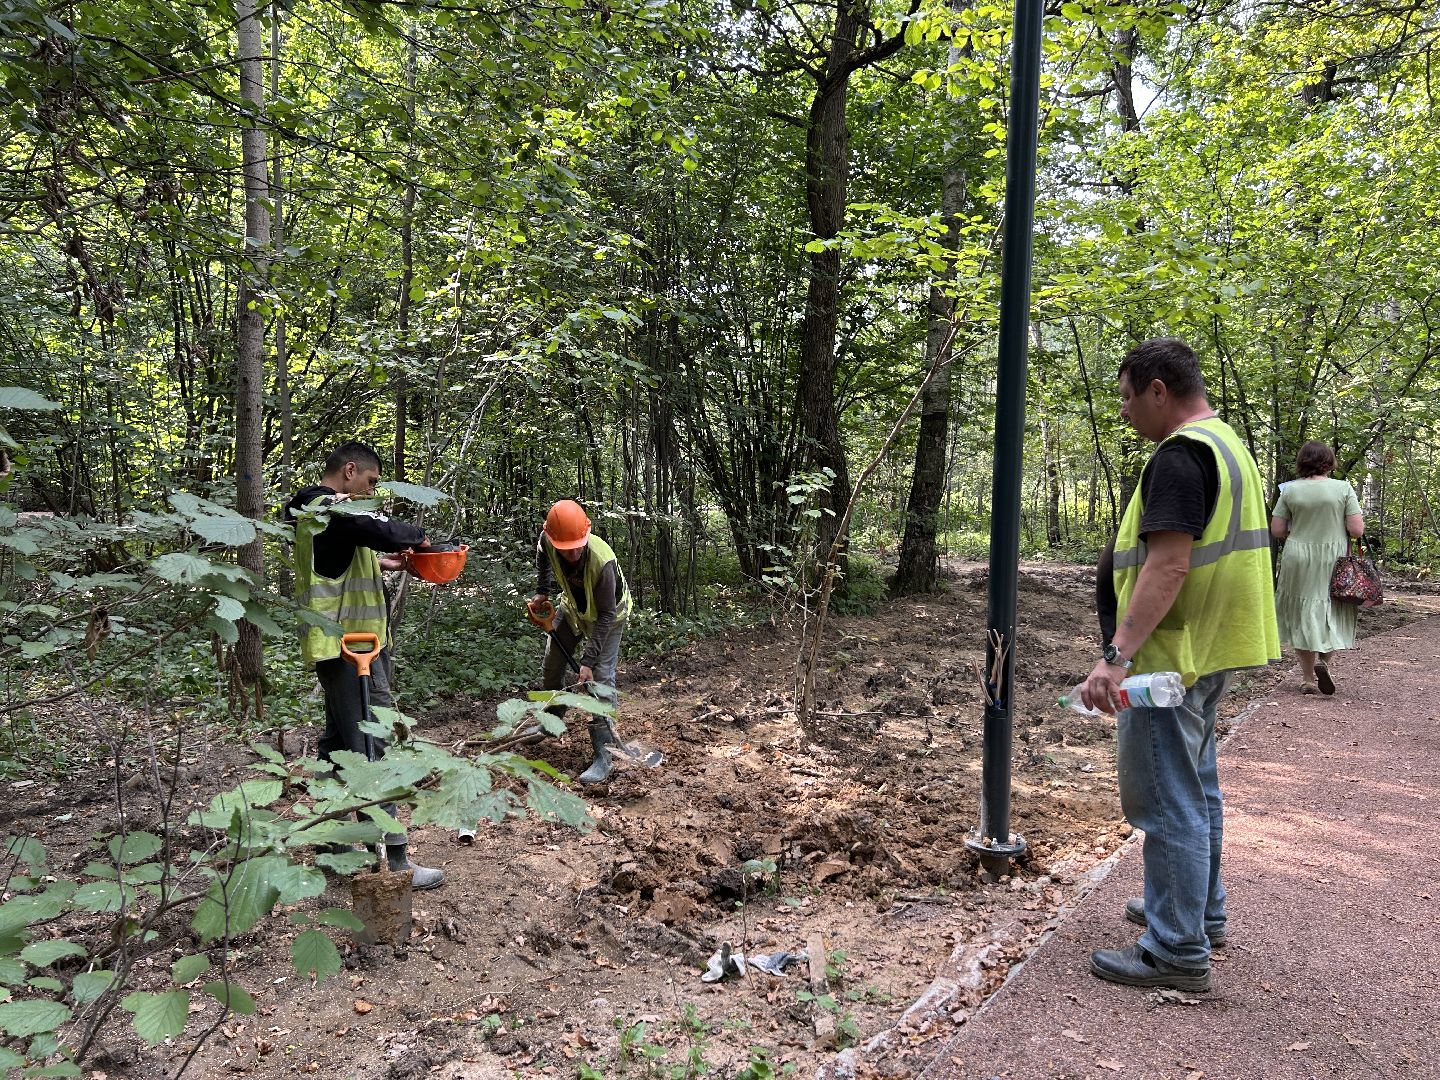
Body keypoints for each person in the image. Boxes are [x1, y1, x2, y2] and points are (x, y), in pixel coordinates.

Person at [1083, 338, 1279, 992]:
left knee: (1166, 799)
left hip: (1170, 658)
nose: (1124, 412)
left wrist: (1117, 658)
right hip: (1213, 647)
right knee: (1197, 787)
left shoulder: (1179, 457)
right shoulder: (1228, 444)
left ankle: (1174, 948)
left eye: (1127, 398)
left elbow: (1168, 564)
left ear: (1158, 390)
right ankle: (1199, 911)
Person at [284, 441, 444, 890]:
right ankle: (396, 863)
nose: (370, 492)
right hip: (352, 652)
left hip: (352, 649)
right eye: (371, 482)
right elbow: (380, 528)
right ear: (349, 471)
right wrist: (420, 539)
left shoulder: (329, 515)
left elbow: (352, 553)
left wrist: (388, 562)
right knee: (373, 750)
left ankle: (332, 850)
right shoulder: (322, 506)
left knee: (339, 745)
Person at [531, 499, 631, 784]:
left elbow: (607, 614)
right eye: (566, 547)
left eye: (578, 545)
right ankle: (552, 720)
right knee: (552, 663)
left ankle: (605, 752)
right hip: (573, 608)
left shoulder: (602, 561)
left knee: (600, 678)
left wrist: (588, 661)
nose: (573, 552)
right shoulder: (547, 540)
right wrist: (542, 590)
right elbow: (542, 553)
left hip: (608, 618)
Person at [1270, 441, 1365, 695]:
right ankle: (1324, 662)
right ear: (1329, 462)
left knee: (1303, 611)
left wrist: (1299, 529)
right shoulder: (1343, 489)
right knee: (1330, 607)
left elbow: (1277, 530)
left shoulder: (1289, 491)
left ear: (1302, 462)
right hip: (1332, 557)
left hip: (1298, 556)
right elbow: (1356, 530)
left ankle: (1307, 679)